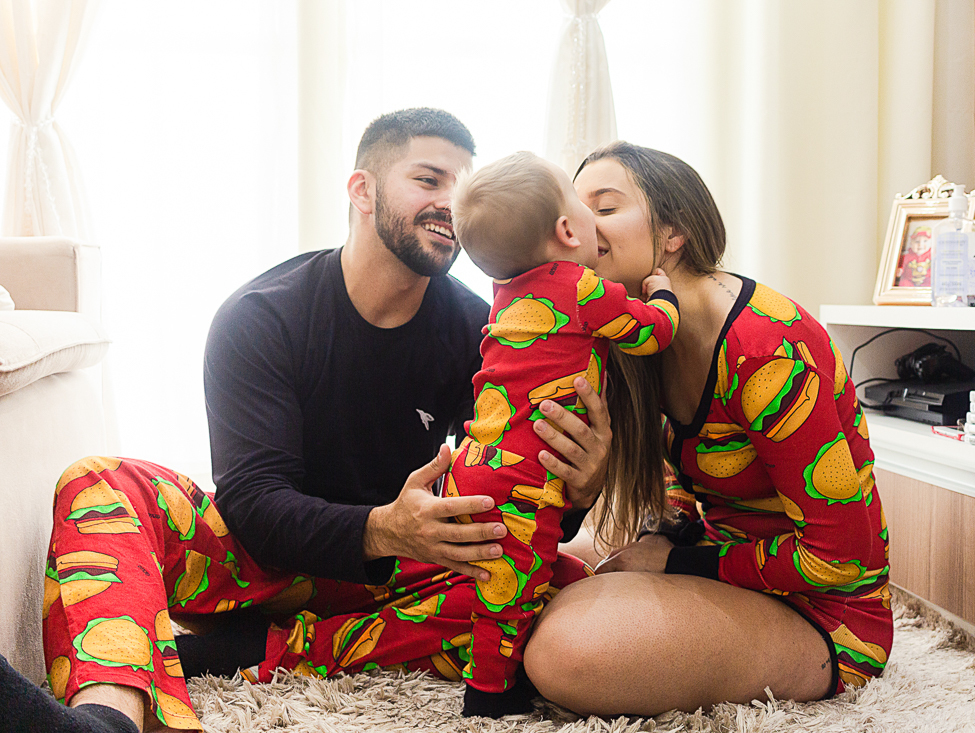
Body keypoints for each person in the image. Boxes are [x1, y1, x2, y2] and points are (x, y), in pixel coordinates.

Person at [5, 109, 611, 732]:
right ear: (362, 191)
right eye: (429, 179)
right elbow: (253, 506)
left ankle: (242, 650)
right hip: (265, 557)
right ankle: (104, 719)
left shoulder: (482, 330)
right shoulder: (260, 315)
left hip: (396, 577)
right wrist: (381, 530)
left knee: (553, 587)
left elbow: (520, 512)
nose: (450, 203)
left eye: (462, 185)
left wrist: (580, 490)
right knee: (99, 481)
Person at [523, 142, 893, 716]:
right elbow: (685, 476)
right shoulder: (640, 333)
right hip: (725, 556)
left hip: (824, 613)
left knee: (561, 650)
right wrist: (646, 524)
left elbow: (843, 557)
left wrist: (672, 563)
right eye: (576, 207)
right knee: (534, 565)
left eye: (606, 206)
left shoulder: (768, 350)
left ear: (674, 232)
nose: (578, 224)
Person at [446, 151, 679, 716]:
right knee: (511, 589)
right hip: (525, 476)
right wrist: (662, 294)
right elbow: (651, 334)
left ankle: (503, 654)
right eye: (585, 203)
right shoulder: (581, 288)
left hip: (476, 459)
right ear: (569, 229)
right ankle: (489, 693)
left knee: (515, 573)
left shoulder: (508, 294)